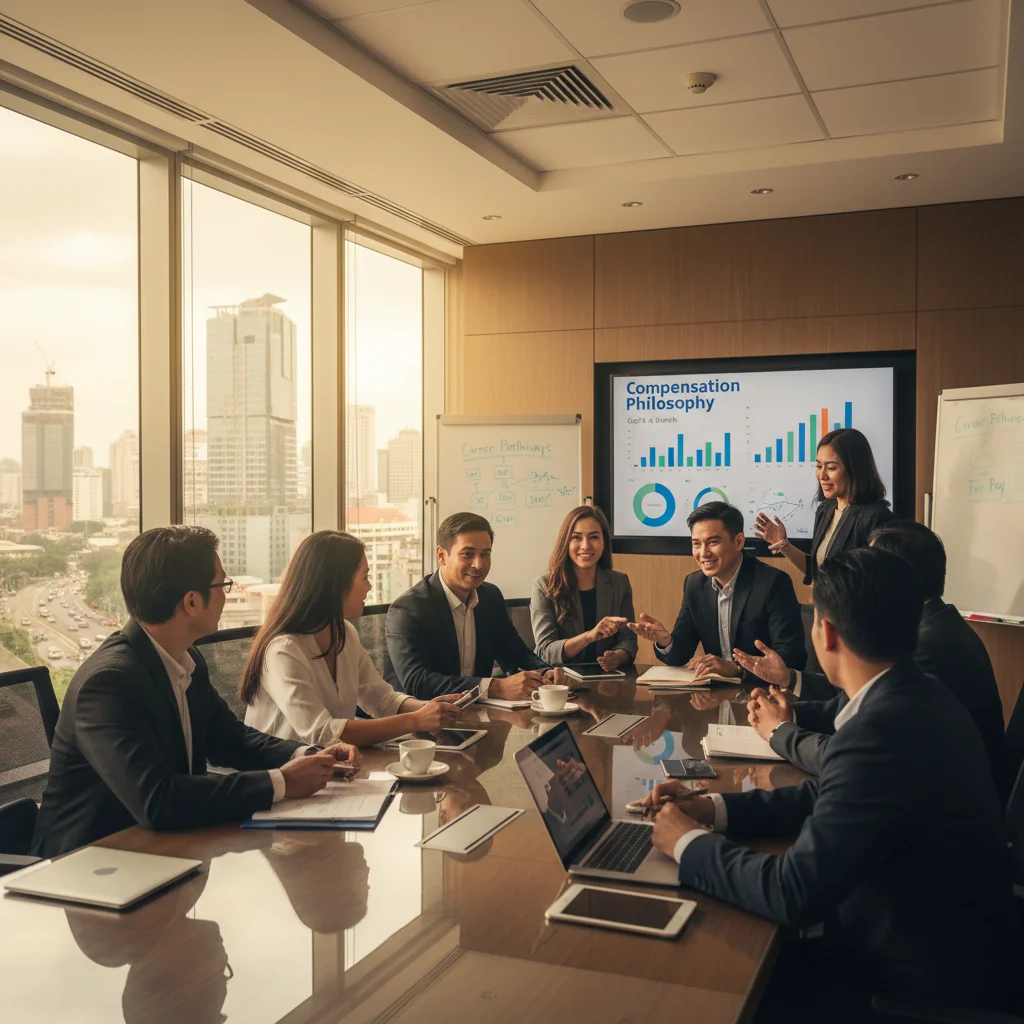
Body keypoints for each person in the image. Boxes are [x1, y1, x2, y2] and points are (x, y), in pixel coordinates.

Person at [644, 548, 1015, 1014]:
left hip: (904, 982)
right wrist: (715, 808)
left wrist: (686, 842)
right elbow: (827, 793)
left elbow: (791, 892)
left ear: (826, 633)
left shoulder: (881, 730)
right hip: (941, 944)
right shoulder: (915, 692)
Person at [32, 526, 358, 859]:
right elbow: (157, 800)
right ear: (191, 601)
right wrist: (281, 783)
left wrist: (305, 756)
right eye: (222, 585)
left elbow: (230, 739)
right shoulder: (109, 683)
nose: (225, 595)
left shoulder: (185, 660)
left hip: (160, 851)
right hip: (87, 866)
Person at [735, 522, 1009, 799]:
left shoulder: (925, 645)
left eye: (868, 564)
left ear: (895, 577)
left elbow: (853, 757)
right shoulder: (934, 624)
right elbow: (850, 705)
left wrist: (781, 731)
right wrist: (792, 711)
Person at [241, 531, 463, 747]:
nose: (369, 586)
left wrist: (431, 709)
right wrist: (415, 720)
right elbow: (322, 733)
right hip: (282, 776)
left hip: (331, 768)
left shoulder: (344, 632)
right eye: (365, 577)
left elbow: (381, 700)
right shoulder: (284, 649)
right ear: (334, 585)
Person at [385, 512, 562, 700]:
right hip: (419, 720)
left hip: (477, 713)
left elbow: (516, 654)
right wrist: (495, 687)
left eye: (485, 554)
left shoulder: (490, 597)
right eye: (467, 554)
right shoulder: (408, 610)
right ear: (442, 556)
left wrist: (545, 673)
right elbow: (417, 682)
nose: (478, 564)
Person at [628, 502, 806, 682]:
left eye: (713, 542)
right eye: (696, 544)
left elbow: (792, 657)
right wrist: (665, 641)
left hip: (762, 694)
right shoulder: (695, 584)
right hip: (715, 696)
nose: (703, 553)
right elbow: (680, 655)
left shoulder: (773, 582)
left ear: (738, 542)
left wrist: (737, 669)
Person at [754, 427, 892, 585]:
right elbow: (817, 571)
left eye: (831, 468)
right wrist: (783, 544)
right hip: (825, 608)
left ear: (855, 469)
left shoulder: (877, 517)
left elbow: (876, 584)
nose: (822, 476)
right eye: (819, 466)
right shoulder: (826, 509)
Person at [531, 504, 637, 671]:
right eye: (576, 537)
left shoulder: (619, 582)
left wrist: (617, 657)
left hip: (607, 681)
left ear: (604, 542)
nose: (586, 545)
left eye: (594, 537)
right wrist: (589, 636)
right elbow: (545, 650)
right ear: (565, 542)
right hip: (561, 682)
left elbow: (628, 639)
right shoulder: (544, 586)